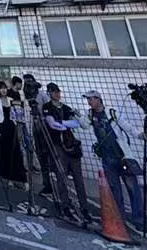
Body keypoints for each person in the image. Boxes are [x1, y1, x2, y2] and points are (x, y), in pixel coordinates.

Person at [79, 90, 144, 227]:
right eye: (88, 99)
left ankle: (138, 218)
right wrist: (79, 116)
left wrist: (140, 135)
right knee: (115, 190)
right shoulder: (90, 114)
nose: (89, 102)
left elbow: (127, 127)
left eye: (91, 99)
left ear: (98, 99)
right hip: (107, 157)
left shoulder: (111, 112)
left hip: (123, 156)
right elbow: (84, 126)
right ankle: (119, 218)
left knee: (133, 188)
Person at [41, 83, 91, 221]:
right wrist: (65, 123)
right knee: (61, 175)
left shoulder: (67, 108)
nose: (57, 94)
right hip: (57, 145)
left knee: (78, 177)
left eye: (58, 91)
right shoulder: (47, 107)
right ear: (49, 93)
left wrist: (63, 122)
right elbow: (52, 124)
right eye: (54, 92)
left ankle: (84, 207)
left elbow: (78, 124)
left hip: (70, 144)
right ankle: (65, 205)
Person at [0, 81, 28, 190]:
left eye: (5, 88)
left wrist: (19, 131)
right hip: (1, 130)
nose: (3, 90)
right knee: (4, 154)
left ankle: (20, 179)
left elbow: (18, 116)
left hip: (12, 129)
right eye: (1, 88)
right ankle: (7, 179)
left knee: (16, 154)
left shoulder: (11, 100)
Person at [23, 74, 53, 198]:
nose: (28, 86)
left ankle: (54, 181)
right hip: (35, 127)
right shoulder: (27, 96)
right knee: (40, 154)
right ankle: (46, 184)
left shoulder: (42, 95)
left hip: (45, 127)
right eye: (26, 83)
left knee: (50, 154)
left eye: (30, 82)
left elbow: (50, 109)